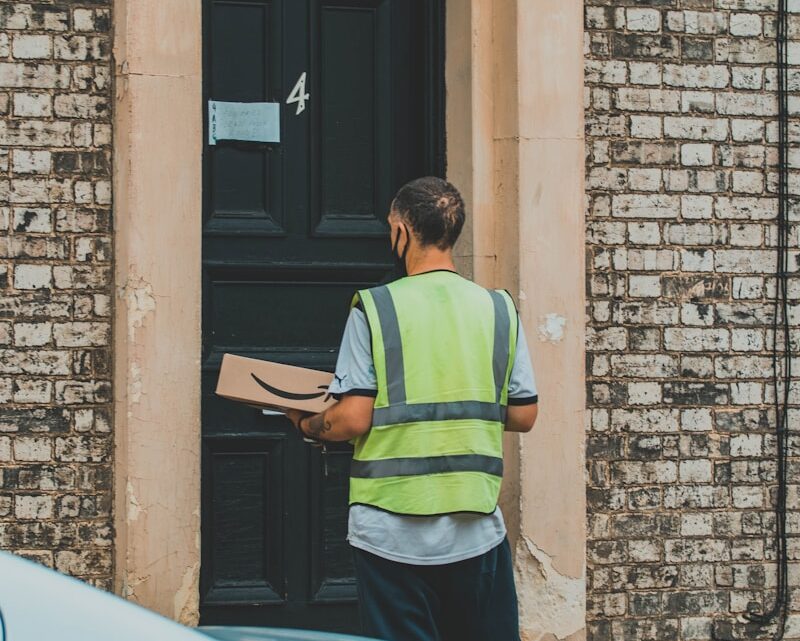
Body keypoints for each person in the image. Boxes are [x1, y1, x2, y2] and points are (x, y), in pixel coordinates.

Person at [286, 176, 538, 641]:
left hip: (390, 533)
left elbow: (351, 419)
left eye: (389, 228)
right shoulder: (499, 310)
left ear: (402, 230)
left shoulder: (376, 308)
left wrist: (308, 423)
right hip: (475, 531)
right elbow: (523, 414)